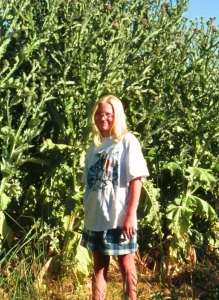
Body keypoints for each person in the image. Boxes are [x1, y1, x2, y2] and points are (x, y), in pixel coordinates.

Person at [81, 95, 149, 300]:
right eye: (99, 114)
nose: (103, 118)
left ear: (116, 116)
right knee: (98, 269)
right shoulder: (94, 145)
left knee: (126, 265)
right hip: (95, 217)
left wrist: (130, 216)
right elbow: (90, 184)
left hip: (118, 217)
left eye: (108, 114)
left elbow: (136, 179)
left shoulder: (127, 141)